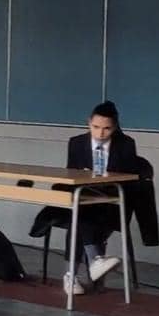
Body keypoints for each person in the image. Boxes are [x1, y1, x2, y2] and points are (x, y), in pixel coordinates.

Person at [60, 101, 134, 295]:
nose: (100, 133)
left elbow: (128, 179)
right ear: (88, 123)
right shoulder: (76, 143)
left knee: (79, 216)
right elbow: (71, 175)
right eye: (96, 127)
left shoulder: (126, 144)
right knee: (81, 210)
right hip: (85, 197)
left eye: (107, 128)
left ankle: (71, 275)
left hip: (112, 203)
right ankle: (95, 261)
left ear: (115, 127)